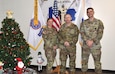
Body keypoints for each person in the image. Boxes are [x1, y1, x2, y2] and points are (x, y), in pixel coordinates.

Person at [80, 7, 104, 74]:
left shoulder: (99, 22)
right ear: (87, 13)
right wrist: (87, 40)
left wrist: (92, 41)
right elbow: (82, 33)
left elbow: (100, 33)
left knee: (97, 63)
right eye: (88, 12)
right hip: (86, 46)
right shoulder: (84, 23)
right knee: (84, 62)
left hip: (95, 46)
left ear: (93, 12)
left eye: (91, 11)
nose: (90, 13)